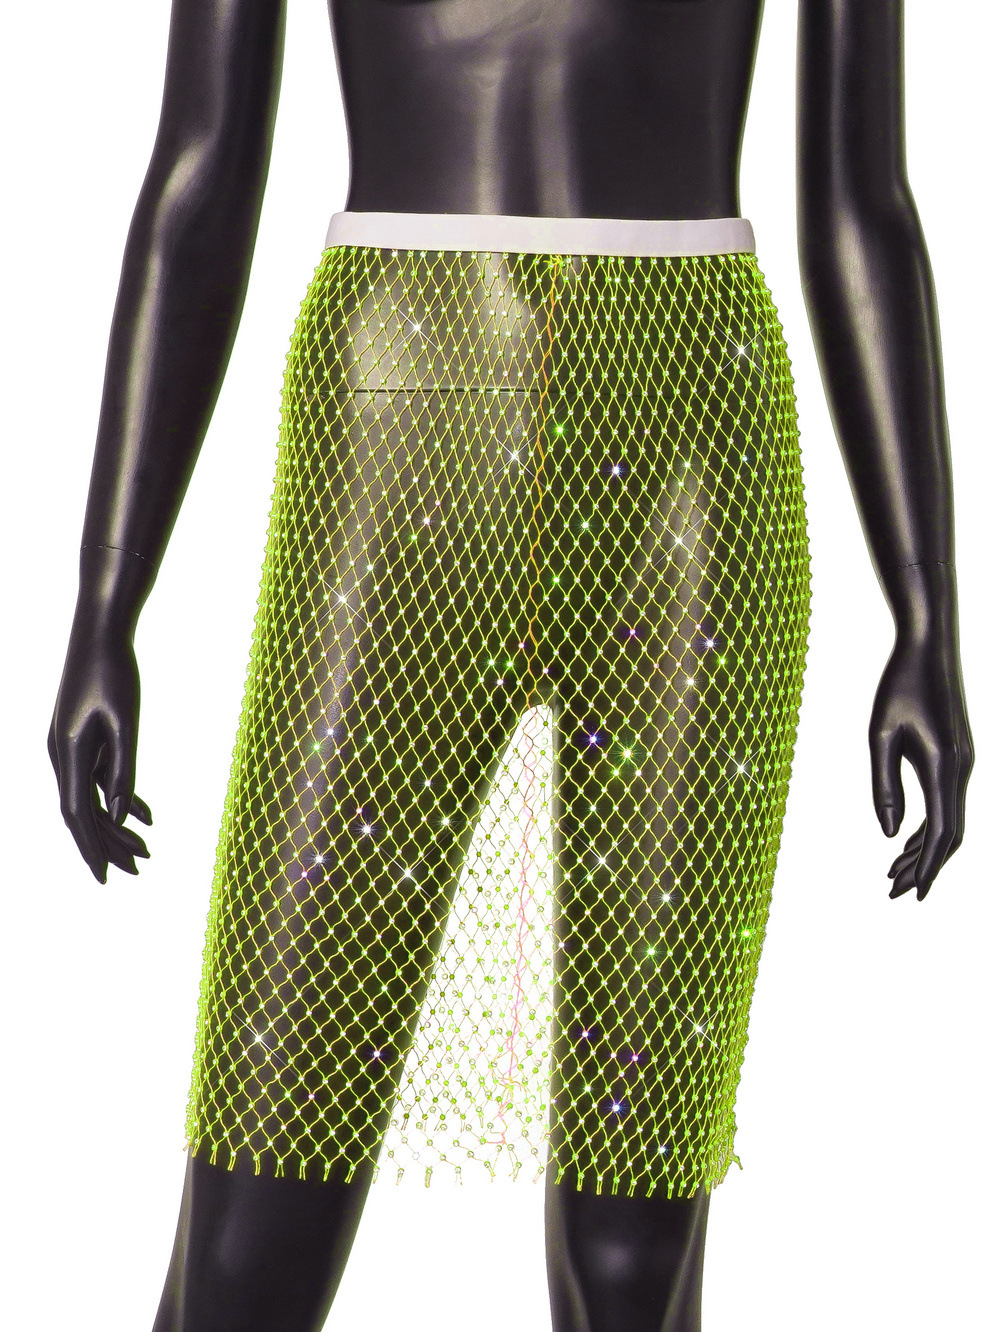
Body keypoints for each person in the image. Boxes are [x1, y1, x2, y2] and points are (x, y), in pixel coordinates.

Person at [47, 2, 974, 1330]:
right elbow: (199, 173)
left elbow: (865, 201)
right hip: (398, 452)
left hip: (686, 463)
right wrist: (106, 600)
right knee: (250, 1223)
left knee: (633, 1249)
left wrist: (927, 615)